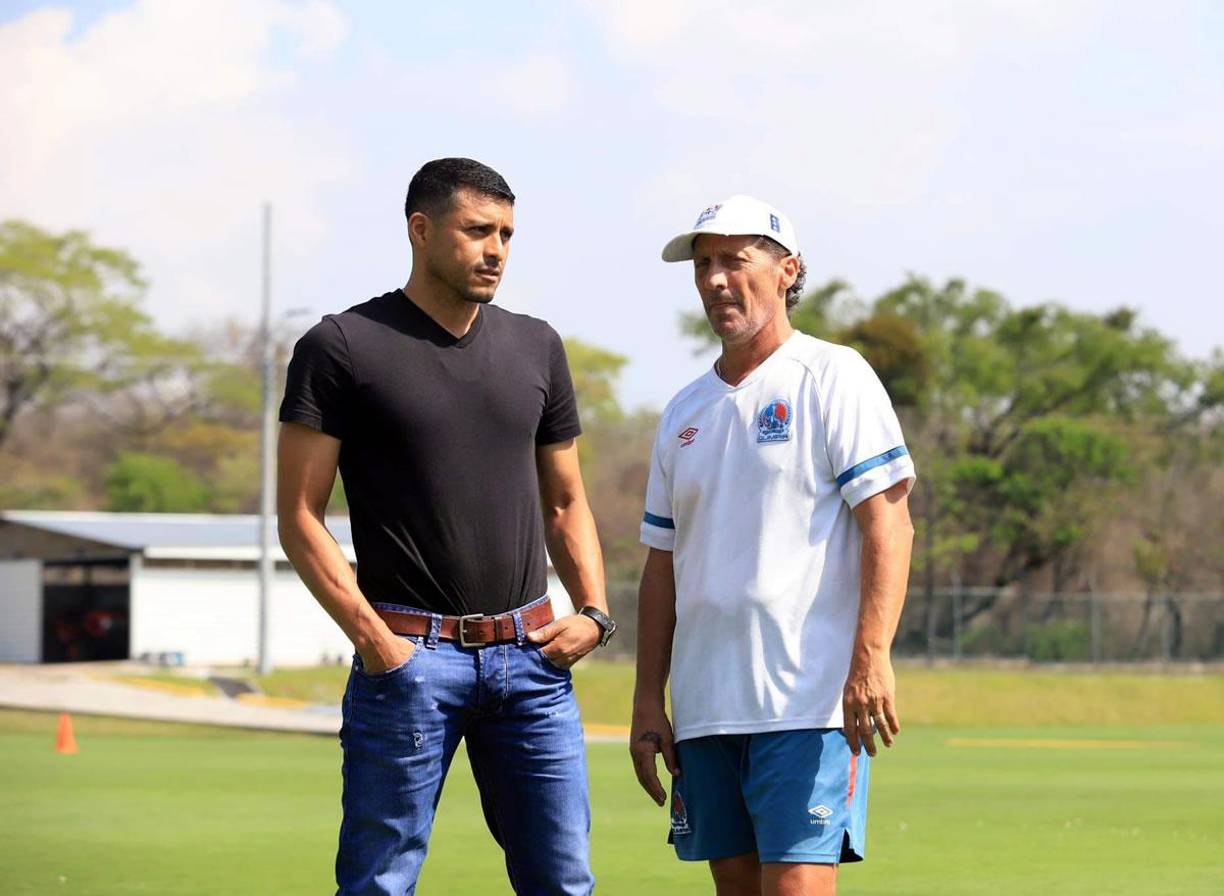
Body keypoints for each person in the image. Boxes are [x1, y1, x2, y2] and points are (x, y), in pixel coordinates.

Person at [277, 157, 617, 896]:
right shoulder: (341, 347)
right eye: (477, 231)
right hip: (408, 662)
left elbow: (566, 501)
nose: (495, 249)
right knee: (379, 885)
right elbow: (299, 514)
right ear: (421, 230)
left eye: (506, 234)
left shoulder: (537, 346)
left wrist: (593, 611)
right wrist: (376, 643)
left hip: (533, 664)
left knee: (563, 882)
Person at [629, 195, 916, 896]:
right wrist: (646, 699)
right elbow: (661, 568)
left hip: (807, 705)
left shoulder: (832, 375)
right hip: (705, 711)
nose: (715, 279)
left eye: (735, 260)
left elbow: (890, 523)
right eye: (703, 265)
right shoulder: (684, 410)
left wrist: (871, 657)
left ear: (788, 270)